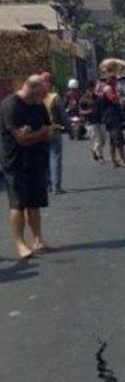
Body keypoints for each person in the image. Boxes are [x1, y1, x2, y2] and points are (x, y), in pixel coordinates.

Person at [0, 75, 52, 259]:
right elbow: (21, 140)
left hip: (35, 159)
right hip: (15, 162)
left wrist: (37, 134)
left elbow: (49, 130)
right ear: (32, 89)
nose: (43, 97)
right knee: (18, 204)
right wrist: (40, 134)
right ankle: (20, 243)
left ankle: (38, 239)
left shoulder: (38, 105)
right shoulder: (10, 106)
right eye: (41, 93)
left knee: (34, 203)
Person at [41, 72, 65, 194]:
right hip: (54, 130)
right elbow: (62, 115)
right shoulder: (54, 97)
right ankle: (56, 187)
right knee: (55, 158)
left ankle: (48, 185)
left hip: (40, 132)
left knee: (44, 159)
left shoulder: (36, 97)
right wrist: (69, 129)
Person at [98, 75, 125, 167]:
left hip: (113, 116)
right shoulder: (108, 89)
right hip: (111, 116)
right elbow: (113, 100)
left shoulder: (110, 89)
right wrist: (118, 94)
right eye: (115, 80)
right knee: (117, 138)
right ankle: (121, 159)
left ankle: (115, 160)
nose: (117, 82)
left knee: (114, 139)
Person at [80, 80, 106, 161]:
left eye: (92, 88)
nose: (91, 90)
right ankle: (100, 156)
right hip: (90, 122)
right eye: (90, 89)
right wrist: (88, 112)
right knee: (97, 140)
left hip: (100, 120)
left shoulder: (98, 97)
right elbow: (80, 111)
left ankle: (94, 150)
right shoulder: (83, 99)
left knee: (103, 139)